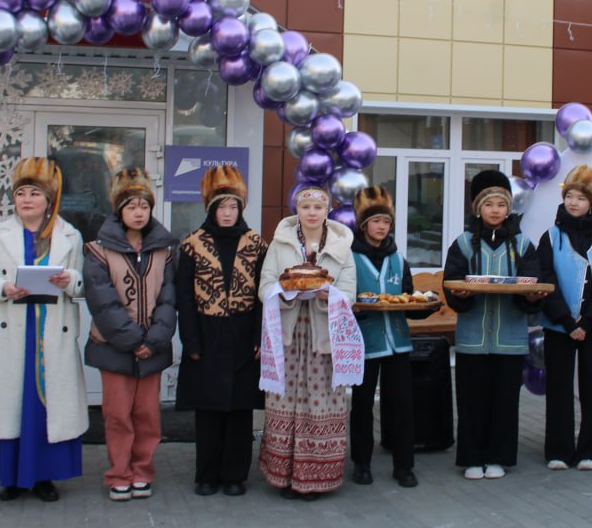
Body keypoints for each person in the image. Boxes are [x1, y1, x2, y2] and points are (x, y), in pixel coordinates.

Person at [0, 157, 87, 502]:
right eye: (21, 194)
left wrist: (69, 280)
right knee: (12, 404)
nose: (26, 200)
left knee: (46, 405)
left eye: (34, 194)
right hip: (12, 331)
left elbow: (82, 284)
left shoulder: (70, 236)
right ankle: (11, 478)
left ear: (49, 200)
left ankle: (43, 477)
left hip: (51, 332)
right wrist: (2, 287)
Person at [257, 185, 360, 499]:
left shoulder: (341, 246)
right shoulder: (280, 243)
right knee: (284, 401)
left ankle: (316, 478)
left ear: (327, 211)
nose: (312, 213)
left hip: (323, 335)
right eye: (306, 207)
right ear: (297, 211)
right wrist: (285, 292)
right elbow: (265, 284)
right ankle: (283, 476)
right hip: (288, 335)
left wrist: (330, 295)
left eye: (318, 207)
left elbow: (350, 291)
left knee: (321, 402)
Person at [442, 170, 544, 480]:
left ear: (508, 209)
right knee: (472, 400)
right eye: (489, 205)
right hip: (472, 336)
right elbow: (452, 282)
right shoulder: (463, 244)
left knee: (504, 401)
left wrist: (531, 296)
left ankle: (499, 457)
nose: (495, 210)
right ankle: (472, 458)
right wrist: (459, 295)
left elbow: (533, 283)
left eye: (501, 205)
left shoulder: (523, 245)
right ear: (478, 209)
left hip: (509, 337)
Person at [83, 168, 177, 502]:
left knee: (148, 416)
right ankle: (118, 474)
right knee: (117, 415)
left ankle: (142, 472)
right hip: (114, 347)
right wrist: (133, 340)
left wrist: (153, 340)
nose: (138, 212)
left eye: (144, 206)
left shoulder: (164, 251)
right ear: (119, 210)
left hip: (152, 347)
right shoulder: (98, 251)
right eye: (131, 206)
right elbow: (102, 301)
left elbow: (168, 300)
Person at [175, 165, 267, 497]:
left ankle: (234, 475)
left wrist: (259, 337)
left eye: (232, 207)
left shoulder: (255, 243)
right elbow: (184, 296)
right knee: (209, 408)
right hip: (207, 332)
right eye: (221, 207)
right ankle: (206, 474)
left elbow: (263, 295)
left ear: (240, 209)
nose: (227, 213)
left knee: (240, 408)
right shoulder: (193, 244)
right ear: (210, 209)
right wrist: (190, 340)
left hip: (243, 333)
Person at [535, 164, 592, 472]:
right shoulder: (551, 237)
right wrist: (565, 320)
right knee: (558, 389)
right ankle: (558, 450)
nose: (573, 203)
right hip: (559, 327)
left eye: (581, 198)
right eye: (569, 196)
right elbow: (545, 279)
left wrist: (589, 322)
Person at [349, 186, 429, 489]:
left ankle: (404, 465)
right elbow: (344, 301)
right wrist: (358, 309)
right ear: (363, 225)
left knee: (402, 406)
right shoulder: (350, 258)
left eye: (386, 221)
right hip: (365, 343)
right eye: (376, 221)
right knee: (362, 405)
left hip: (398, 343)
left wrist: (422, 307)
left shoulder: (398, 258)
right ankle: (361, 463)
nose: (381, 227)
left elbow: (407, 299)